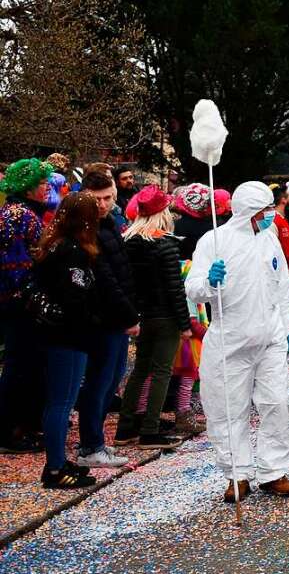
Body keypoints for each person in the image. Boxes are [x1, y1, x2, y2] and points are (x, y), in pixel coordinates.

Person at [185, 181, 289, 501]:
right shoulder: (214, 241)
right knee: (227, 409)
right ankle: (237, 474)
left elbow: (281, 289)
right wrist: (210, 282)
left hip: (270, 339)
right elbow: (193, 289)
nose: (270, 216)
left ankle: (273, 471)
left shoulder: (269, 240)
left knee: (277, 403)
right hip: (230, 340)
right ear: (249, 211)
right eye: (265, 211)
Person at [33, 193, 105, 488]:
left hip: (56, 332)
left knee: (60, 401)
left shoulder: (54, 245)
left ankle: (58, 461)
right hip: (68, 335)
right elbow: (75, 297)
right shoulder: (72, 252)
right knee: (62, 402)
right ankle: (54, 467)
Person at [113, 186, 191, 449]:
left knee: (140, 369)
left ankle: (125, 428)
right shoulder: (164, 244)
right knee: (161, 372)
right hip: (165, 315)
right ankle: (150, 429)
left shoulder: (128, 241)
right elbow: (174, 288)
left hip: (140, 314)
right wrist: (184, 323)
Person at [76, 171, 140, 469]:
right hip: (102, 318)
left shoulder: (109, 223)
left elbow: (121, 270)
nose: (103, 204)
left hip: (116, 315)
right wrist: (129, 314)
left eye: (107, 198)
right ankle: (90, 444)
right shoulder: (85, 229)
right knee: (99, 382)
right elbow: (104, 278)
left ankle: (96, 441)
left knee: (112, 379)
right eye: (97, 198)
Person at [0, 159, 53, 453]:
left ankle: (18, 426)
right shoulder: (22, 216)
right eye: (43, 183)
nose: (48, 188)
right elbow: (23, 265)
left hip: (15, 301)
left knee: (21, 365)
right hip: (22, 303)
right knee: (22, 366)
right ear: (28, 186)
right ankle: (11, 431)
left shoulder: (12, 212)